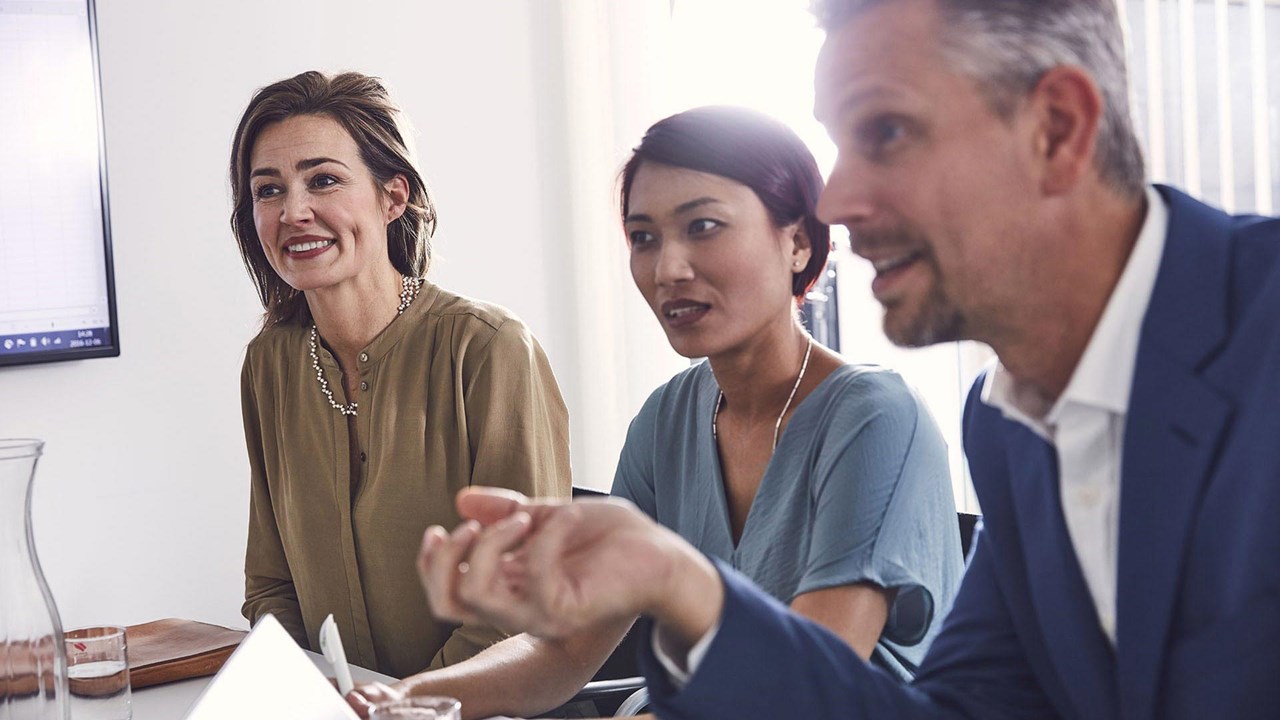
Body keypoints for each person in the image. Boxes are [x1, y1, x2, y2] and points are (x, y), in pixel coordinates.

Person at [414, 0, 1280, 718]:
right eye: (644, 236)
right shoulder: (1008, 421)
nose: (835, 198)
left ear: (1055, 129)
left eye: (888, 131)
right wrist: (677, 582)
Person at [347, 106, 962, 718]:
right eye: (644, 238)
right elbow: (564, 651)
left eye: (704, 226)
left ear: (798, 241)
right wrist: (400, 699)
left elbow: (809, 693)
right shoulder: (669, 417)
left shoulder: (876, 418)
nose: (668, 269)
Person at [230, 70, 571, 679]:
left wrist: (405, 705)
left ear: (393, 197)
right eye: (268, 190)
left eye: (324, 180)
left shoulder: (489, 350)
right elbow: (271, 587)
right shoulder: (269, 365)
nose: (294, 211)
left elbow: (520, 605)